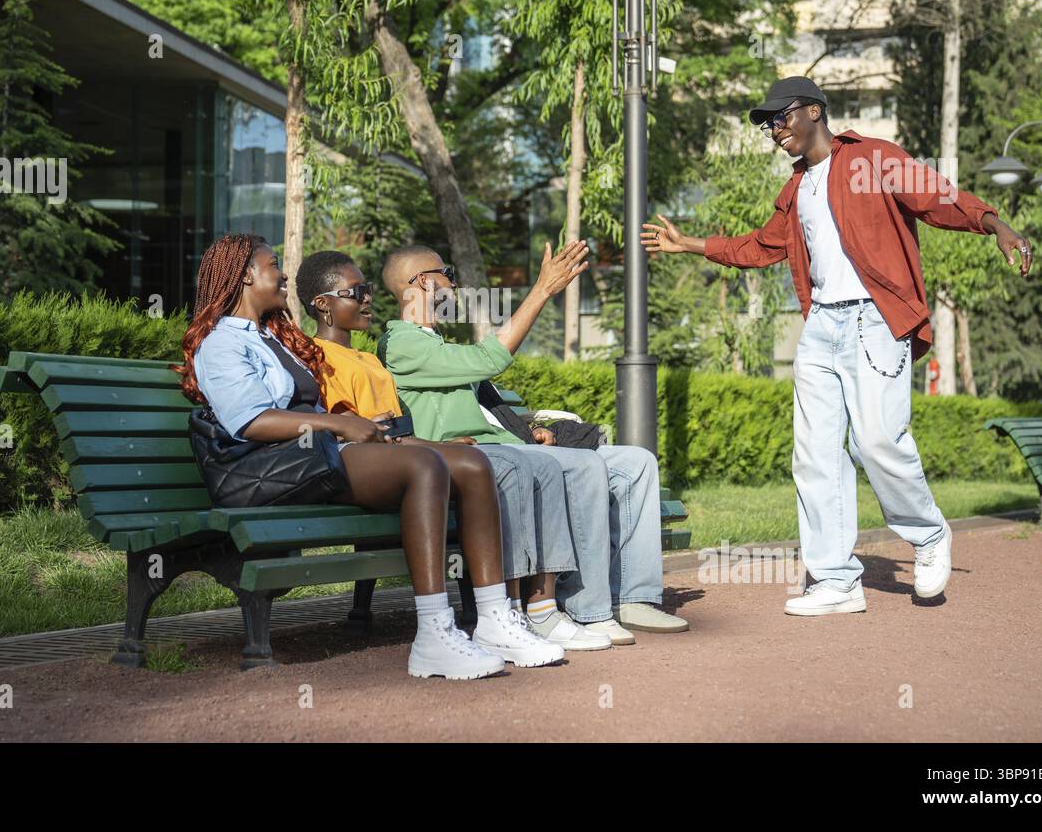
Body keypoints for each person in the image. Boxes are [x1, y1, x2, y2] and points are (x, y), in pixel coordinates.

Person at [642, 75, 1034, 615]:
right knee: (816, 455)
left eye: (780, 119)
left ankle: (927, 534)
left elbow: (938, 198)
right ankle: (834, 580)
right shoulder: (796, 187)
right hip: (821, 328)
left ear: (812, 112)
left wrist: (995, 224)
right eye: (767, 125)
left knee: (876, 441)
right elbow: (762, 245)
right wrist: (691, 244)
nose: (774, 131)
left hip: (877, 321)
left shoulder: (873, 158)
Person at [176, 234, 562, 678]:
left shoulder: (275, 340)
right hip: (263, 470)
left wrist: (395, 436)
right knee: (424, 466)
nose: (283, 273)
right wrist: (341, 424)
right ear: (244, 276)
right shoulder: (223, 342)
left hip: (312, 456)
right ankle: (434, 632)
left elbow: (316, 414)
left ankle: (495, 619)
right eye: (272, 265)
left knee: (471, 464)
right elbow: (251, 422)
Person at [378, 241, 686, 646]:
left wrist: (525, 425)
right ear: (421, 281)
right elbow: (491, 358)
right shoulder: (402, 342)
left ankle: (632, 598)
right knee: (581, 466)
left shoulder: (436, 342)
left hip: (507, 444)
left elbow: (477, 397)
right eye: (446, 272)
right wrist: (541, 290)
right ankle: (587, 609)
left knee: (636, 463)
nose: (453, 280)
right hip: (469, 457)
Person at [296, 249, 579, 653]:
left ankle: (500, 613)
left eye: (368, 290)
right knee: (486, 463)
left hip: (399, 455)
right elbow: (356, 430)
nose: (368, 299)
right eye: (356, 291)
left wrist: (432, 444)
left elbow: (393, 427)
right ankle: (488, 614)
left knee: (479, 460)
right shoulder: (324, 356)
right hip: (363, 466)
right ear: (323, 305)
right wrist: (429, 446)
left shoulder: (368, 358)